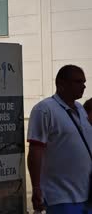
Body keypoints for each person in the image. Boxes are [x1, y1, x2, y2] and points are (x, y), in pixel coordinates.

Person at [27, 65, 92, 213]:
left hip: (86, 195)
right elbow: (35, 150)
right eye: (78, 82)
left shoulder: (81, 109)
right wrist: (36, 187)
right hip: (61, 197)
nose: (83, 86)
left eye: (83, 81)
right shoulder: (44, 109)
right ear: (61, 84)